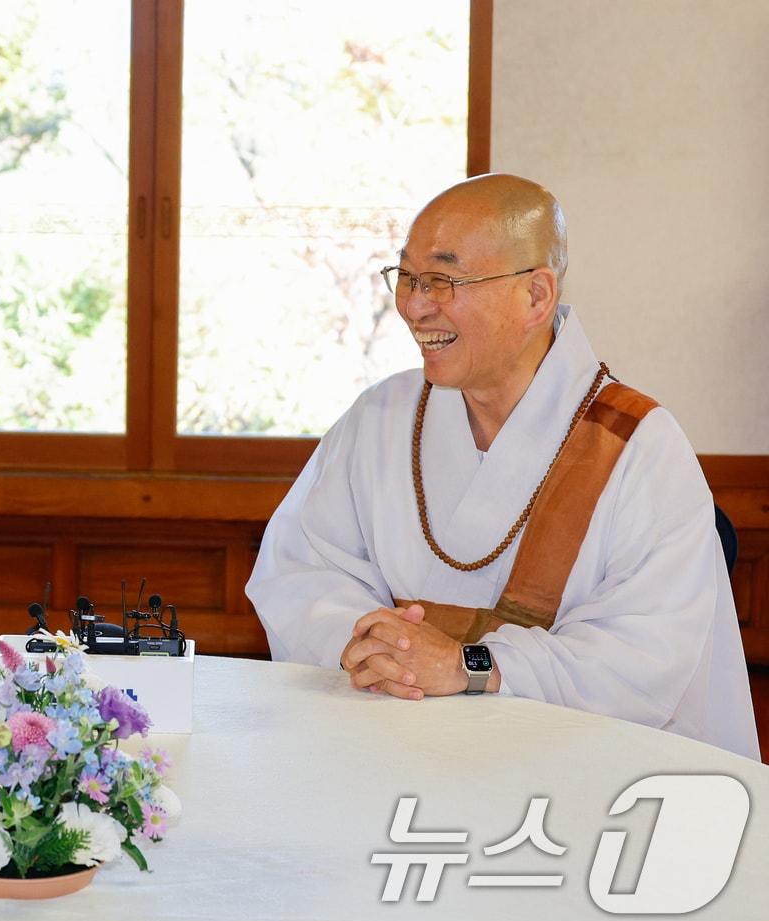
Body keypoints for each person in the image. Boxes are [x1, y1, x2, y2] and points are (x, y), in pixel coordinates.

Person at [246, 174, 758, 758]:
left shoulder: (636, 445)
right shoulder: (380, 417)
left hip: (578, 774)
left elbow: (642, 655)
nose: (414, 306)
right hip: (390, 744)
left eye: (442, 280)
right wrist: (374, 648)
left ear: (537, 296)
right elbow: (302, 569)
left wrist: (467, 667)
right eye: (408, 277)